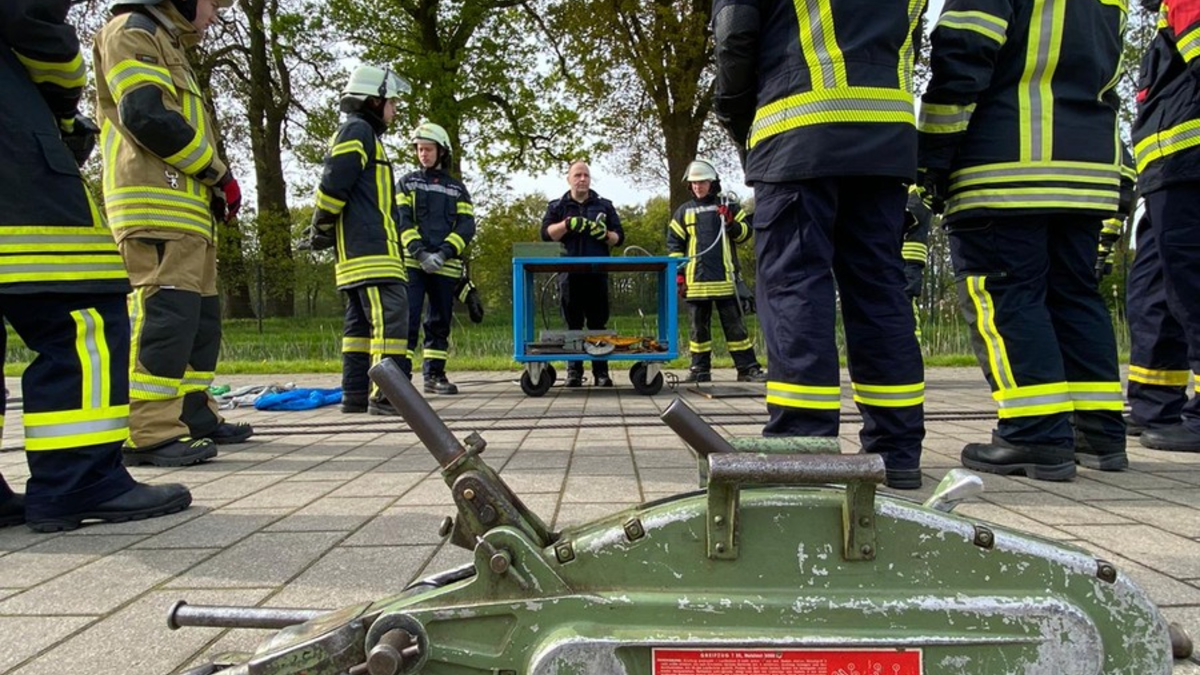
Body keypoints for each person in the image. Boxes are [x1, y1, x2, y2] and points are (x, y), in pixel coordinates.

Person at [711, 0, 927, 489]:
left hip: (796, 131)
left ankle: (804, 444)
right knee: (880, 291)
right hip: (886, 139)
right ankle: (897, 451)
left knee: (794, 288)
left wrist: (736, 116)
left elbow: (734, 35)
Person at [0, 0, 191, 531]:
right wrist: (62, 109)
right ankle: (77, 481)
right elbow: (31, 20)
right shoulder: (135, 32)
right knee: (78, 309)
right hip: (14, 159)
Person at [918, 0, 1129, 479]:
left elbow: (964, 48)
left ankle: (1035, 434)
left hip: (1007, 164)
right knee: (1074, 295)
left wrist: (933, 150)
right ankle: (1098, 433)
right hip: (1088, 169)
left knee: (1005, 295)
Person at [94, 0, 252, 465]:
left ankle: (191, 413)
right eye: (211, 2)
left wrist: (213, 186)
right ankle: (149, 431)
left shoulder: (167, 43)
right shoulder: (131, 31)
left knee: (198, 320)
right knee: (164, 316)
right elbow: (146, 116)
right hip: (153, 206)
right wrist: (217, 174)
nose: (215, 13)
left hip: (186, 212)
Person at [304, 65, 411, 415]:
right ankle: (389, 396)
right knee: (391, 321)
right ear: (373, 101)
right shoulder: (358, 130)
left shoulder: (360, 132)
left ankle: (354, 394)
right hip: (372, 252)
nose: (394, 110)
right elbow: (334, 182)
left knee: (359, 327)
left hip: (358, 254)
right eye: (391, 102)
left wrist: (322, 229)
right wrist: (320, 224)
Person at [1129, 0, 1200, 452]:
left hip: (1190, 165)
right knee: (1153, 290)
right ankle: (1155, 403)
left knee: (1192, 289)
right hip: (1165, 170)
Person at [667, 158, 767, 384]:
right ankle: (699, 370)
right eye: (693, 183)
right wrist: (680, 276)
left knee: (735, 329)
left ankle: (747, 369)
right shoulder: (683, 212)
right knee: (697, 331)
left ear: (712, 183)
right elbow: (674, 245)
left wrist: (730, 222)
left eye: (701, 182)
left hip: (726, 281)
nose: (697, 187)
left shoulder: (728, 206)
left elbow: (744, 235)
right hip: (695, 283)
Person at [397, 122, 476, 395]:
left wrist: (443, 253)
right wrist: (419, 252)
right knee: (407, 319)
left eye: (428, 149)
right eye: (420, 149)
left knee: (439, 321)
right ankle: (400, 378)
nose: (423, 154)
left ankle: (434, 375)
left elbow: (466, 226)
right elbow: (401, 221)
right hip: (413, 264)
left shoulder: (457, 189)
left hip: (445, 265)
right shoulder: (407, 183)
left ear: (441, 151)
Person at [540, 161, 626, 388]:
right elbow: (546, 234)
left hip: (597, 273)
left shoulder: (604, 206)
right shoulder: (557, 206)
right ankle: (574, 372)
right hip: (568, 274)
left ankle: (601, 373)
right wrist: (567, 224)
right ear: (569, 178)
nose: (582, 179)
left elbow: (619, 237)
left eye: (586, 175)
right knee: (573, 324)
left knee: (598, 323)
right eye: (577, 175)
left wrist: (604, 233)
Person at [903, 187, 933, 340]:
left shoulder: (917, 190)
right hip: (898, 259)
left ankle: (912, 347)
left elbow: (908, 216)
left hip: (908, 258)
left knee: (905, 304)